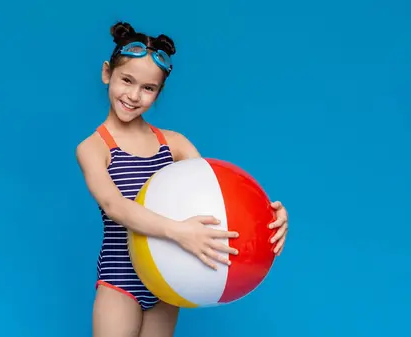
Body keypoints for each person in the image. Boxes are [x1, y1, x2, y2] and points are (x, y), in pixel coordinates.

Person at [75, 21, 289, 337]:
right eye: (126, 80)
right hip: (121, 280)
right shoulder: (93, 148)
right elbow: (115, 206)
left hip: (170, 279)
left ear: (159, 92)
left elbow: (217, 198)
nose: (134, 95)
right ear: (108, 73)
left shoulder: (174, 144)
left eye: (148, 88)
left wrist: (269, 218)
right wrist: (179, 232)